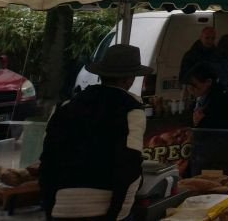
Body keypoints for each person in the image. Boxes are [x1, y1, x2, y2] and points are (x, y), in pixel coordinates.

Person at [40, 44, 151, 221]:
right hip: (104, 207)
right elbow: (129, 165)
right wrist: (115, 213)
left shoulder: (64, 107)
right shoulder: (131, 110)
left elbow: (47, 161)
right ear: (129, 79)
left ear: (100, 75)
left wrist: (49, 207)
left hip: (62, 207)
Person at [186, 61, 228, 179]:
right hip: (204, 161)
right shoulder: (198, 103)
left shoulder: (226, 102)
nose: (190, 89)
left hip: (222, 164)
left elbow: (225, 134)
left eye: (195, 85)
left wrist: (199, 124)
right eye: (189, 85)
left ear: (208, 82)